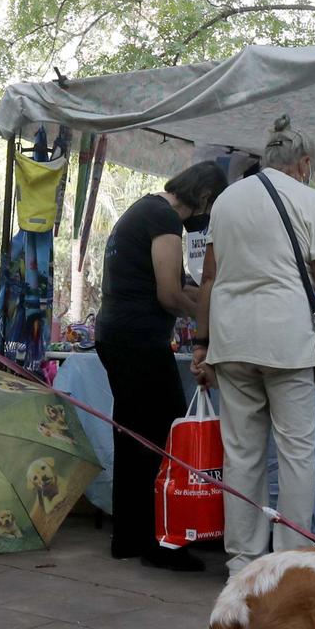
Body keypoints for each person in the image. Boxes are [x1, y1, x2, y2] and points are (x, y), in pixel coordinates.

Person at [190, 117, 315, 575]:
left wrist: (201, 342)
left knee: (241, 452)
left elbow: (209, 277)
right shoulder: (310, 199)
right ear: (304, 163)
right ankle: (291, 559)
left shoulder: (226, 200)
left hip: (232, 340)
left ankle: (243, 558)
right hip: (288, 342)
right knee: (297, 452)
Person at [95, 160, 227, 572]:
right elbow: (171, 294)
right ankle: (161, 541)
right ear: (206, 198)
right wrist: (211, 319)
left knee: (133, 436)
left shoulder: (143, 209)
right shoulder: (163, 216)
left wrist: (203, 303)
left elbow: (180, 283)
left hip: (118, 333)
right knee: (161, 437)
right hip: (137, 338)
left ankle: (128, 537)